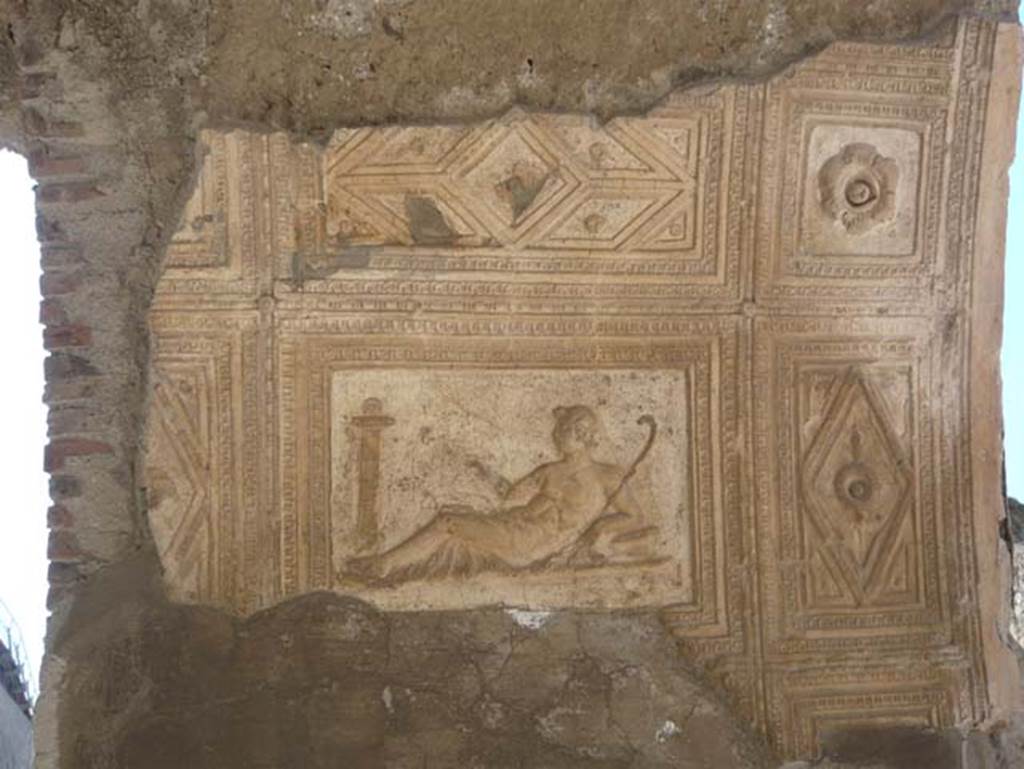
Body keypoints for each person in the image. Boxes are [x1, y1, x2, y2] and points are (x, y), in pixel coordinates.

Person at [343, 405, 655, 585]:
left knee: (448, 522)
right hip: (518, 532)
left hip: (527, 542)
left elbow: (636, 517)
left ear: (579, 434)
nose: (558, 438)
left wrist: (601, 531)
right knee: (454, 528)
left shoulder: (608, 476)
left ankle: (382, 565)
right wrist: (483, 471)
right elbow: (508, 496)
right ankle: (392, 568)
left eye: (561, 432)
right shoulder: (551, 472)